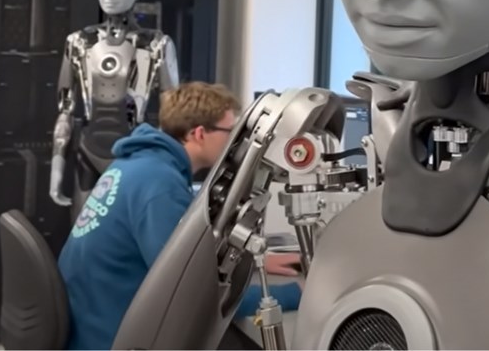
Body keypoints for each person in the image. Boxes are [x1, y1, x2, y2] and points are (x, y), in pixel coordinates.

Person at [57, 81, 304, 350]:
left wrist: (256, 264)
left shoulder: (138, 164)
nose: (235, 142)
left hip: (94, 323)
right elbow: (193, 293)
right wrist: (292, 295)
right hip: (113, 338)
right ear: (199, 134)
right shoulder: (159, 185)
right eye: (230, 131)